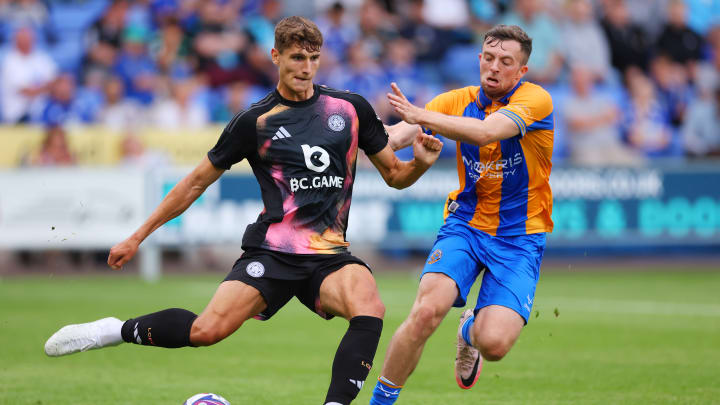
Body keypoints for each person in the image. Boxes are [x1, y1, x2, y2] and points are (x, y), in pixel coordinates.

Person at [44, 16, 442, 405]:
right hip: (273, 251)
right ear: (275, 56)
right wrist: (137, 236)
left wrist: (421, 163)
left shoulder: (350, 109)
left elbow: (395, 175)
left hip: (328, 255)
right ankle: (115, 330)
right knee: (205, 330)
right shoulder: (254, 121)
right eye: (296, 58)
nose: (305, 68)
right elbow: (195, 182)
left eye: (313, 58)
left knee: (369, 306)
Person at [369, 24, 554, 404]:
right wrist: (340, 130)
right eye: (488, 58)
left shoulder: (536, 100)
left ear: (521, 72)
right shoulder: (455, 100)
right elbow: (393, 138)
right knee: (424, 313)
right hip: (465, 226)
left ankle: (469, 330)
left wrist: (423, 115)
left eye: (506, 61)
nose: (494, 67)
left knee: (495, 344)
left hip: (519, 237)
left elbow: (487, 133)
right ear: (479, 59)